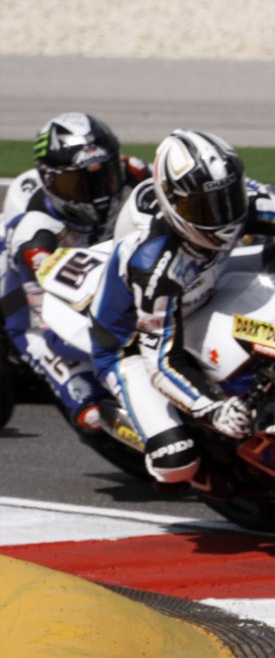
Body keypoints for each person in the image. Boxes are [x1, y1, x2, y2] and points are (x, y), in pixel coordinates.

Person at [85, 129, 275, 487]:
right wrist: (212, 409)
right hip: (133, 343)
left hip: (206, 285)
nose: (223, 215)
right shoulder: (156, 267)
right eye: (204, 207)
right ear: (173, 205)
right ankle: (216, 471)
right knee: (176, 461)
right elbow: (162, 361)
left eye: (228, 198)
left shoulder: (238, 199)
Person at [1, 113, 148, 434]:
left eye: (104, 177)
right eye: (76, 184)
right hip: (27, 301)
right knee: (87, 407)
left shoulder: (135, 172)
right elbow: (48, 321)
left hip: (109, 272)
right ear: (50, 181)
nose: (96, 193)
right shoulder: (35, 229)